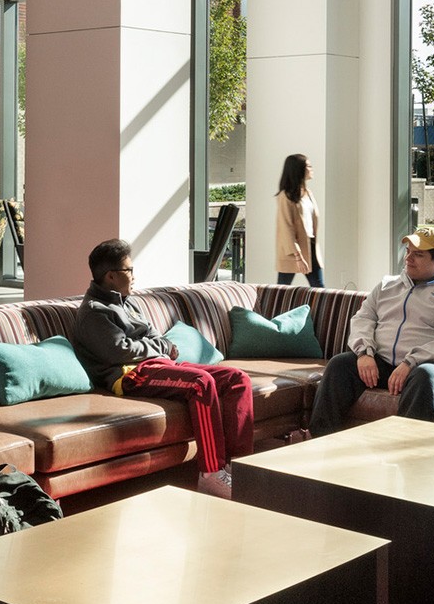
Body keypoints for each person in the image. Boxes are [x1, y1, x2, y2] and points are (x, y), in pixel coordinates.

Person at [71, 238, 257, 497]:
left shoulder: (129, 302)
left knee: (237, 378)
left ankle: (238, 469)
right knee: (200, 383)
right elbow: (120, 350)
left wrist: (157, 346)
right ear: (111, 276)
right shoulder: (93, 312)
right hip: (129, 375)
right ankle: (211, 473)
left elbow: (154, 336)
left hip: (157, 364)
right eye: (129, 270)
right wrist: (159, 347)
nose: (134, 276)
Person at [309, 225, 434, 436]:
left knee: (425, 376)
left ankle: (404, 453)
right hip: (386, 364)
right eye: (408, 251)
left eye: (418, 254)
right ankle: (320, 443)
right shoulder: (387, 286)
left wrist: (412, 361)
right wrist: (364, 353)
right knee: (340, 365)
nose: (408, 258)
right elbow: (363, 318)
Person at [274, 153, 323, 287]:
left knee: (319, 289)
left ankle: (321, 309)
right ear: (298, 169)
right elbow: (286, 227)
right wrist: (298, 257)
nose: (311, 169)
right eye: (308, 166)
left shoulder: (308, 193)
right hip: (292, 251)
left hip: (310, 246)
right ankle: (273, 309)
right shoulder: (286, 196)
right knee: (281, 291)